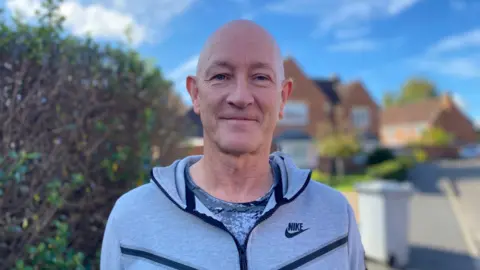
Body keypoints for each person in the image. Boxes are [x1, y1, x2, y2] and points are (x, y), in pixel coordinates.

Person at [100, 19, 366, 270]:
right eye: (221, 76)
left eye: (261, 77)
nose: (240, 97)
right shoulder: (131, 219)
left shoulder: (335, 217)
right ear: (195, 94)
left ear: (283, 98)